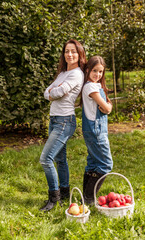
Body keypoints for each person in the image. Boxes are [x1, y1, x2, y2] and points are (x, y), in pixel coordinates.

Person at [40, 39, 87, 212]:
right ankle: (65, 193)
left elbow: (57, 92)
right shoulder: (62, 74)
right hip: (55, 119)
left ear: (79, 53)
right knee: (60, 159)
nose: (70, 54)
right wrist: (54, 91)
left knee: (46, 159)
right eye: (67, 51)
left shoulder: (76, 74)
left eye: (73, 51)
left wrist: (55, 91)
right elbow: (48, 92)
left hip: (65, 120)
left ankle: (54, 198)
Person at [82, 56, 113, 205]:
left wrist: (108, 107)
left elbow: (107, 106)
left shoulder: (95, 86)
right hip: (96, 130)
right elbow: (106, 107)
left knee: (93, 163)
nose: (98, 75)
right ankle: (89, 198)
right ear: (87, 69)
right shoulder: (91, 87)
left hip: (93, 129)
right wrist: (108, 107)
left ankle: (86, 198)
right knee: (106, 164)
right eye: (95, 71)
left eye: (101, 72)